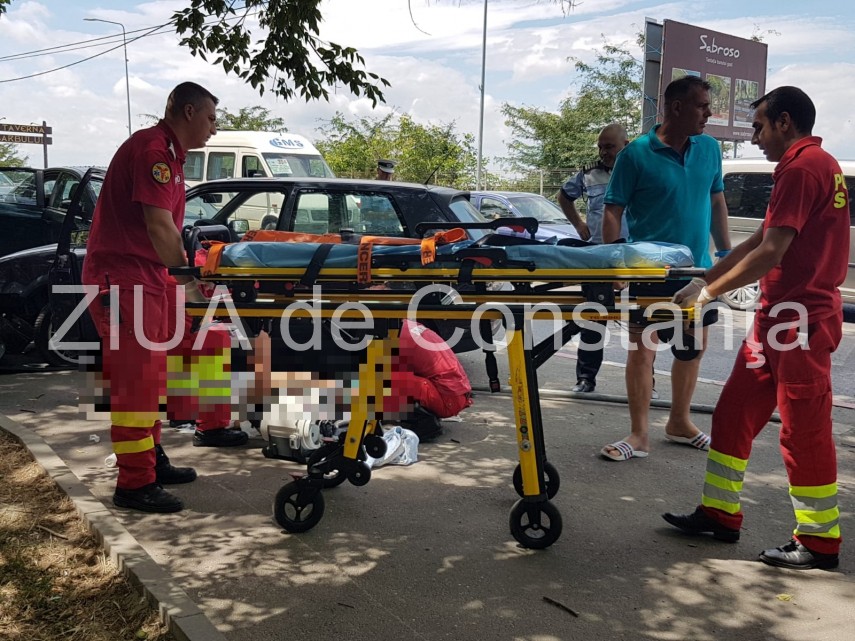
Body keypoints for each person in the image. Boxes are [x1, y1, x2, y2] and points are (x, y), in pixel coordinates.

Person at [663, 86, 849, 570]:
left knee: (803, 431)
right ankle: (720, 514)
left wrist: (709, 294)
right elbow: (762, 240)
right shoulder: (807, 165)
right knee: (733, 413)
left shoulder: (806, 167)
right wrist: (705, 277)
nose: (755, 137)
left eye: (759, 126)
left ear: (784, 122)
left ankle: (819, 542)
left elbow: (772, 252)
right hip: (776, 320)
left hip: (800, 322)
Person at [82, 81, 218, 513]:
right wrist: (190, 283)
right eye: (212, 119)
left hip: (148, 276)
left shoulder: (171, 157)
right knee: (135, 383)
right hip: (123, 278)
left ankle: (150, 461)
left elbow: (167, 232)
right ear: (189, 111)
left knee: (152, 378)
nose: (214, 129)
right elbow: (160, 227)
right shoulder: (153, 151)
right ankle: (134, 485)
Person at [599, 75, 731, 461]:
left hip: (699, 273)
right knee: (643, 350)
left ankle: (679, 422)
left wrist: (724, 255)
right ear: (676, 107)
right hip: (649, 271)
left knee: (692, 350)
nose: (709, 113)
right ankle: (639, 435)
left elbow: (717, 202)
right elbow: (613, 210)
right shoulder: (636, 153)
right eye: (702, 106)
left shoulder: (709, 149)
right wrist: (615, 264)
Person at [558, 123, 629, 394]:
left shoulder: (640, 171)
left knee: (643, 322)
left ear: (626, 144)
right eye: (600, 147)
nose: (603, 152)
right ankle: (586, 378)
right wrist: (578, 224)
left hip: (634, 257)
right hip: (598, 256)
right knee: (593, 319)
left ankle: (650, 382)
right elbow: (564, 197)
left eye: (609, 147)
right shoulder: (589, 174)